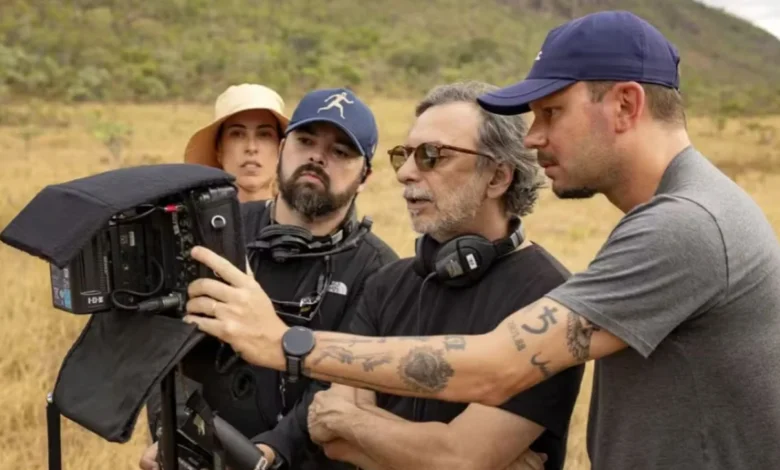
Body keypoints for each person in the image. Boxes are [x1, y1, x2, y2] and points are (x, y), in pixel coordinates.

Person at [181, 10, 780, 470]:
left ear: (624, 105)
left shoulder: (685, 224)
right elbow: (331, 428)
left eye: (550, 112)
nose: (535, 138)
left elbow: (493, 370)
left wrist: (285, 342)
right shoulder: (675, 212)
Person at [253, 81, 584, 470]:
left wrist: (356, 422)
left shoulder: (551, 300)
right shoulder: (387, 282)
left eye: (431, 156)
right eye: (404, 155)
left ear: (497, 178)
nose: (406, 174)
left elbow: (459, 457)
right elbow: (330, 435)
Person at [139, 88, 398, 470]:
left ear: (365, 176)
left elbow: (342, 386)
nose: (317, 157)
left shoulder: (380, 272)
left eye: (340, 152)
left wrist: (269, 453)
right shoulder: (216, 231)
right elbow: (163, 346)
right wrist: (172, 434)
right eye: (306, 141)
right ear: (283, 149)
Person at [184, 83, 289, 202]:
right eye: (237, 134)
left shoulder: (300, 218)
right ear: (219, 149)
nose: (251, 147)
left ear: (281, 148)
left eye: (264, 134)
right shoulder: (196, 219)